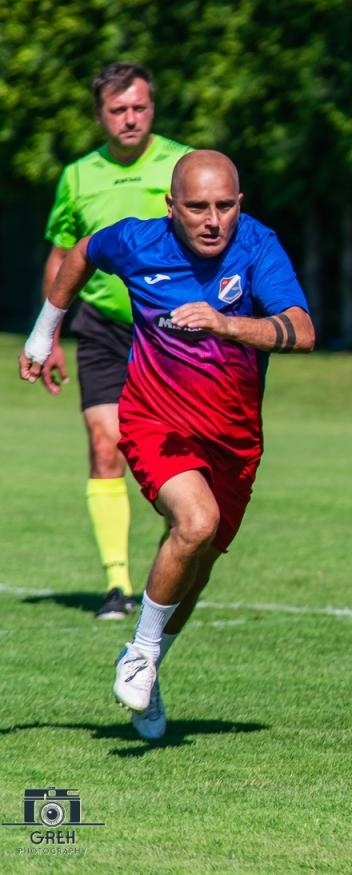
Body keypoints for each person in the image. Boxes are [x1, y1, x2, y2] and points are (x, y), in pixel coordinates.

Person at [19, 150, 316, 738]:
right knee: (196, 522)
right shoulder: (137, 242)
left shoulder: (257, 246)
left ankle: (148, 664)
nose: (213, 220)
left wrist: (226, 322)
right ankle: (141, 651)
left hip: (234, 441)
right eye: (199, 207)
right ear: (172, 207)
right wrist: (42, 333)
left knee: (197, 564)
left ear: (240, 204)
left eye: (225, 206)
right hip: (157, 422)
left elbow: (302, 332)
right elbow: (80, 254)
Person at [35, 62, 193, 621]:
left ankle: (172, 567)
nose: (130, 118)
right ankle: (116, 586)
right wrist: (47, 331)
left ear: (153, 108)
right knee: (107, 446)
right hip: (101, 329)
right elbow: (62, 251)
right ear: (100, 115)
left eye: (140, 108)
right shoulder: (79, 175)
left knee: (179, 457)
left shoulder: (182, 164)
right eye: (118, 110)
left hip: (172, 335)